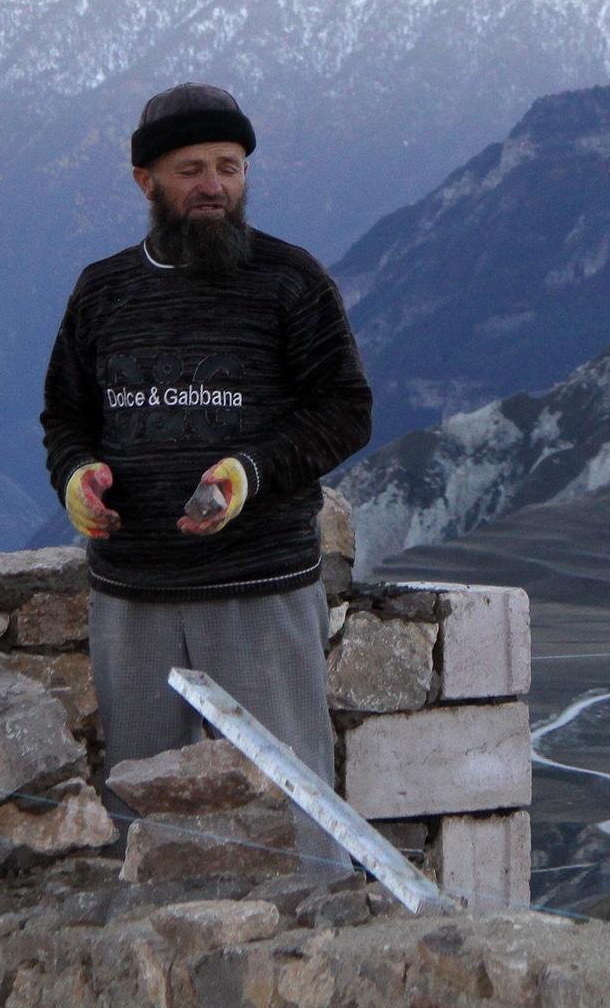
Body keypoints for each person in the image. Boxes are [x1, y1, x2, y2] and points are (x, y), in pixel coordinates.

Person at [40, 83, 372, 872]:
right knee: (144, 806)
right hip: (133, 592)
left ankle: (308, 953)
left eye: (230, 166)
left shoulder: (291, 280)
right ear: (144, 181)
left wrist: (249, 473)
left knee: (292, 799)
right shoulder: (101, 290)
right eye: (191, 168)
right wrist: (76, 475)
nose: (214, 185)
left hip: (258, 587)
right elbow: (65, 416)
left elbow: (345, 410)